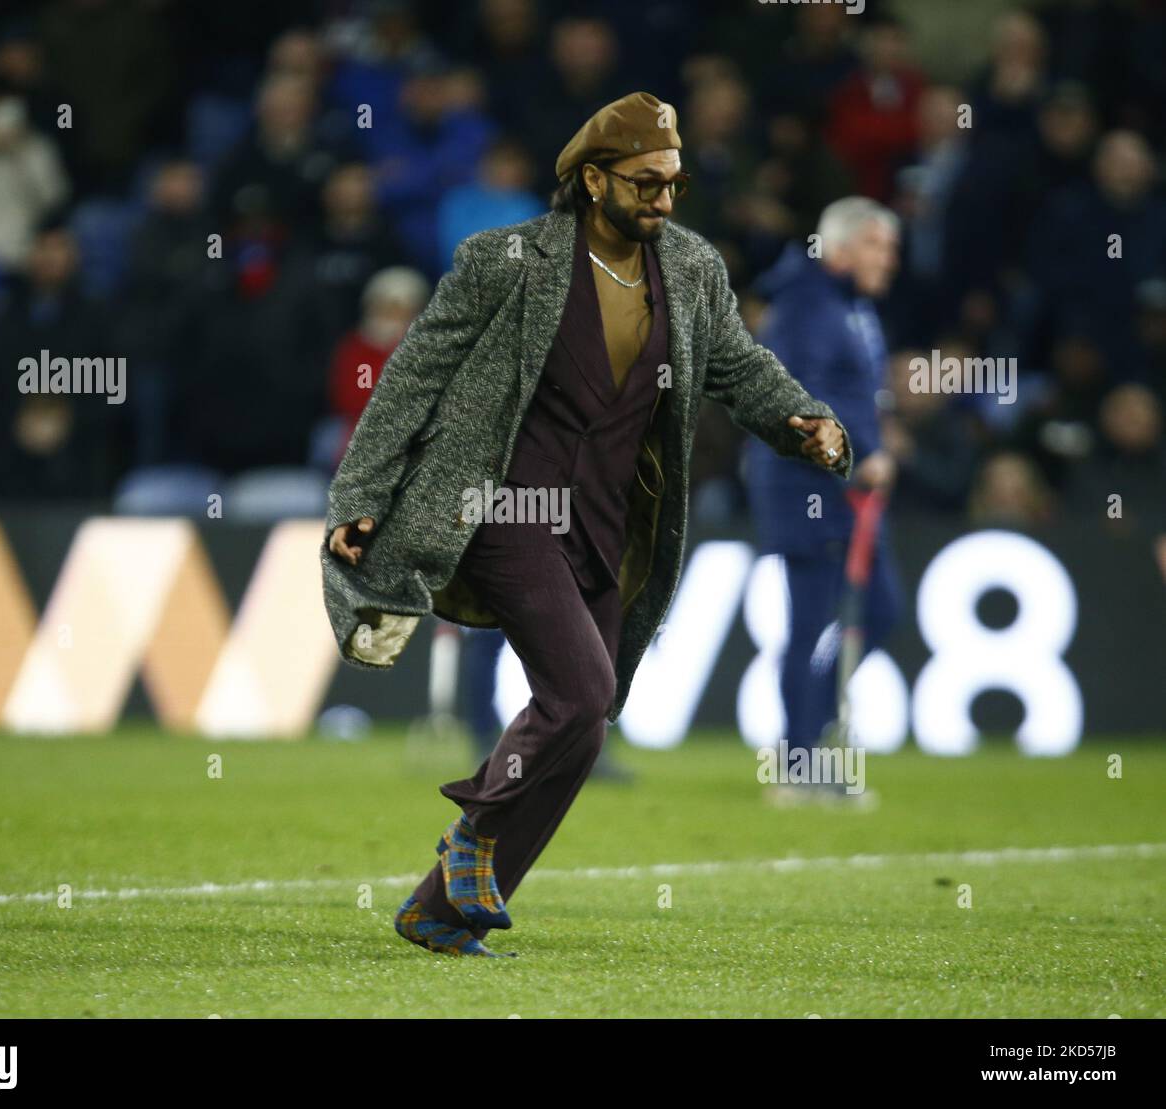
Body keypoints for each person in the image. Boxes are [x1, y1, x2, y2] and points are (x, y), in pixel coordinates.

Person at [321, 92, 853, 957]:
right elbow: (413, 376)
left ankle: (437, 909)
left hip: (610, 520)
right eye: (647, 184)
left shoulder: (689, 269)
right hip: (505, 505)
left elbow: (736, 364)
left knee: (586, 717)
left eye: (674, 184)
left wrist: (801, 417)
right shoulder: (506, 261)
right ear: (593, 178)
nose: (665, 201)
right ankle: (472, 840)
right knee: (578, 694)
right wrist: (360, 494)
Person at [744, 197, 904, 805]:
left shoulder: (849, 305)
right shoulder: (806, 304)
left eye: (889, 248)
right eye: (875, 246)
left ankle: (808, 739)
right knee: (811, 625)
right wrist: (863, 449)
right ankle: (797, 761)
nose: (888, 260)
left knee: (878, 612)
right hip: (807, 487)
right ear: (837, 247)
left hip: (847, 490)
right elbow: (798, 393)